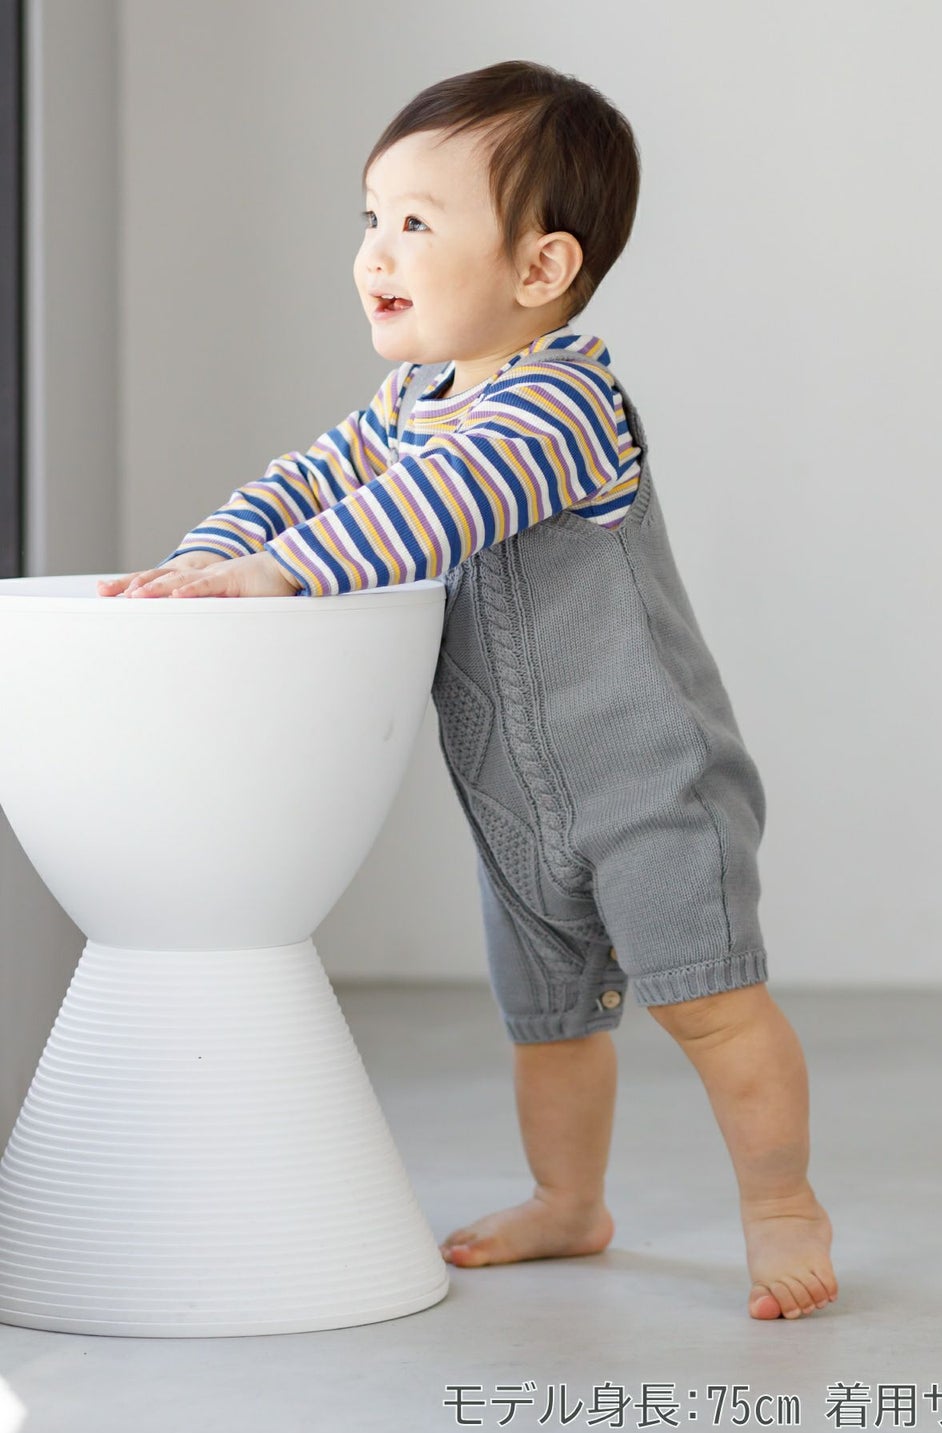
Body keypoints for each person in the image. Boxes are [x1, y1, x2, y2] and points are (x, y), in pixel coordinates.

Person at [98, 59, 838, 1323]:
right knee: (550, 1024)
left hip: (647, 783)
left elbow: (437, 505)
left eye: (417, 223)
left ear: (539, 268)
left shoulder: (562, 404)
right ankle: (568, 1200)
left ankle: (781, 1204)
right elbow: (310, 481)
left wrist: (280, 572)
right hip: (516, 805)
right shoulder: (414, 400)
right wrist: (207, 560)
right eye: (370, 216)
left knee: (713, 1006)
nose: (376, 251)